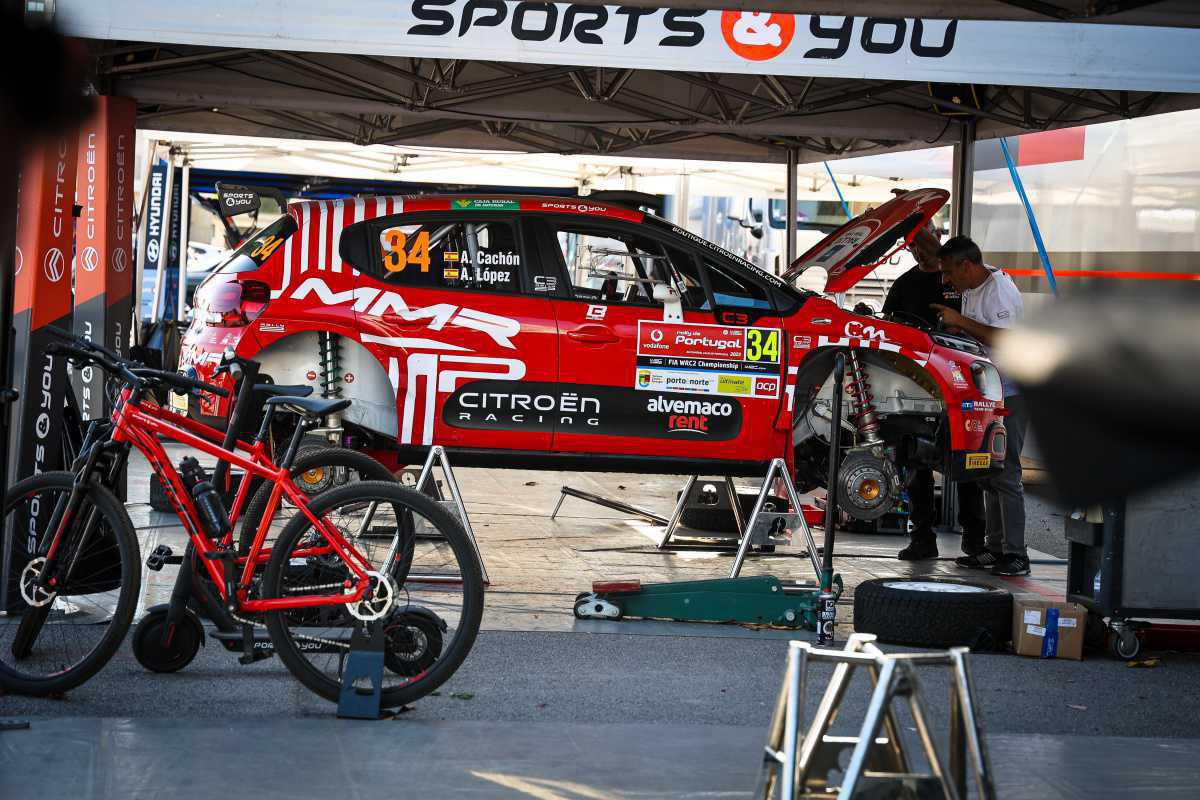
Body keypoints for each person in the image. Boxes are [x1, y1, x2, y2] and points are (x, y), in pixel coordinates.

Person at [931, 235, 1030, 576]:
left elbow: (1006, 339)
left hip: (1011, 390)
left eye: (949, 272)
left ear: (966, 266)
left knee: (1006, 474)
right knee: (988, 473)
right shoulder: (972, 288)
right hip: (988, 389)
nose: (946, 280)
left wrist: (959, 322)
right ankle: (994, 547)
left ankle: (1016, 554)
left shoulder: (998, 290)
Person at [884, 226, 985, 560]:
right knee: (915, 462)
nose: (918, 251)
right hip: (915, 386)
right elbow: (889, 327)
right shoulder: (903, 284)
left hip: (958, 384)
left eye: (923, 243)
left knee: (968, 464)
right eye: (912, 246)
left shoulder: (957, 281)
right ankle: (922, 537)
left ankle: (975, 540)